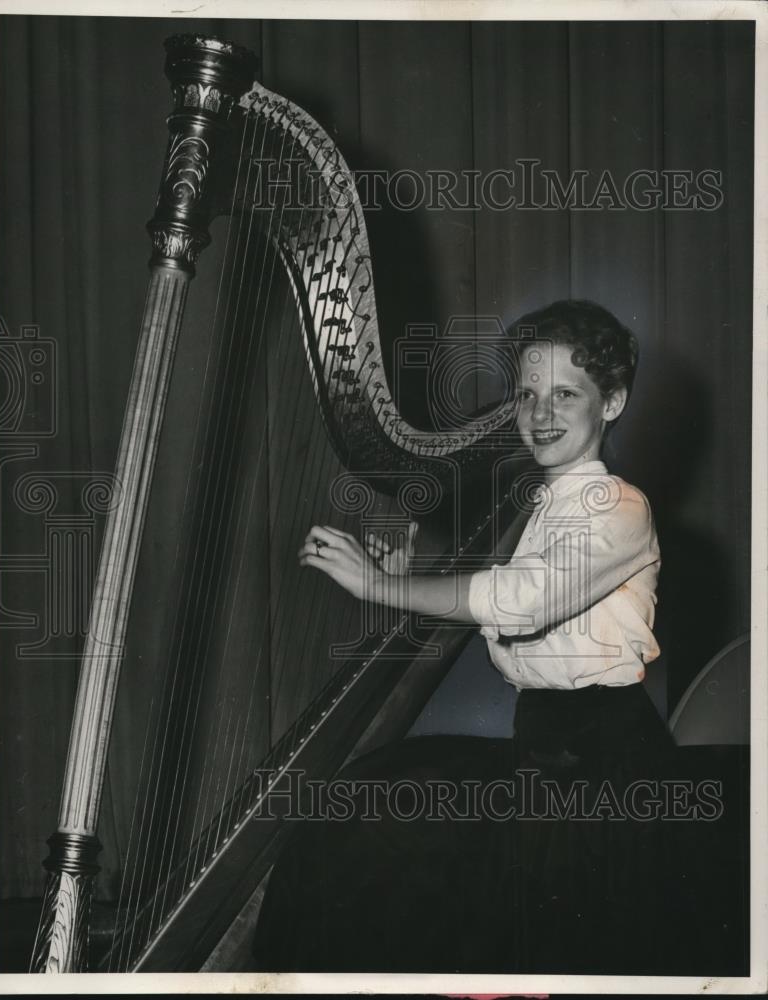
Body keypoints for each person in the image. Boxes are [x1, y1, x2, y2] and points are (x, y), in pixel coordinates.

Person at [254, 300, 743, 974]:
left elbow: (520, 601)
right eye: (527, 393)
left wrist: (380, 587)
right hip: (540, 744)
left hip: (603, 763)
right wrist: (416, 575)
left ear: (613, 401)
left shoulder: (621, 508)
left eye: (565, 394)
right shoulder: (546, 504)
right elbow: (512, 604)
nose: (540, 414)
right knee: (368, 813)